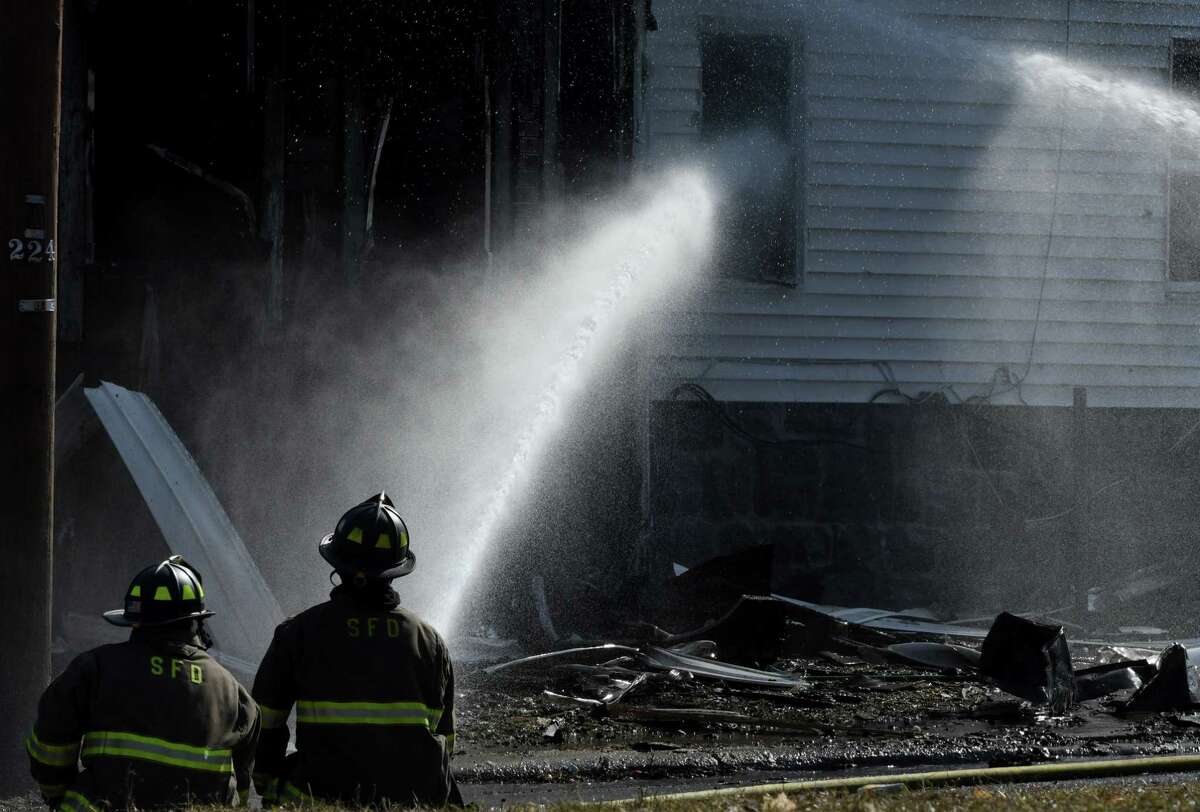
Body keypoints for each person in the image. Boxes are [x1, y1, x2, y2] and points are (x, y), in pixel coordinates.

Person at [252, 492, 459, 807]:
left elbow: (266, 724)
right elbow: (446, 739)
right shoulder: (431, 643)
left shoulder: (299, 633)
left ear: (338, 564)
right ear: (396, 569)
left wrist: (268, 783)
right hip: (412, 802)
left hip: (322, 797)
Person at [26, 556, 259, 810]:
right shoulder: (234, 693)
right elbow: (240, 786)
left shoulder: (95, 668)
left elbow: (51, 740)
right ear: (197, 621)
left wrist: (57, 795)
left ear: (135, 621)